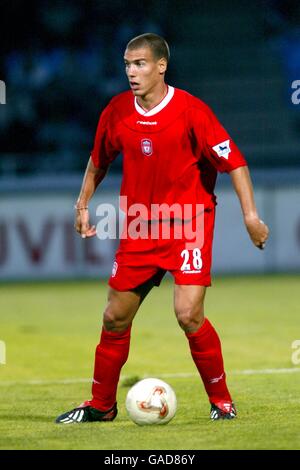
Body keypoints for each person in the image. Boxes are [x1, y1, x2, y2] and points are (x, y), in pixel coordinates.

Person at [55, 33, 269, 424]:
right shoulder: (117, 110)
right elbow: (98, 159)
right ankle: (101, 406)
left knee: (188, 314)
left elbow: (234, 162)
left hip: (188, 223)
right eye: (126, 64)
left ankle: (222, 402)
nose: (131, 72)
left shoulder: (191, 111)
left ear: (160, 66)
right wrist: (82, 203)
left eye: (139, 64)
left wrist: (250, 216)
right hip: (139, 227)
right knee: (114, 318)